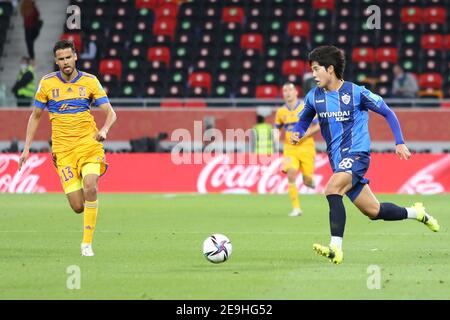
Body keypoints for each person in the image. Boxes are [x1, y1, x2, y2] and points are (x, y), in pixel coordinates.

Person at [290, 45, 439, 264]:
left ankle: (335, 248)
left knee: (332, 189)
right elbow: (304, 119)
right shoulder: (314, 96)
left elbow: (387, 111)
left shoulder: (356, 92)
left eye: (315, 69)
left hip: (357, 155)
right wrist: (298, 132)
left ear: (330, 69)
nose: (312, 74)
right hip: (338, 161)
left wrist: (399, 142)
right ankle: (417, 213)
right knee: (374, 211)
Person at [18, 40, 117, 257]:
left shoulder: (90, 82)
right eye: (61, 59)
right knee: (78, 206)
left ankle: (87, 244)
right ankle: (86, 203)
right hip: (63, 151)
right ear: (56, 61)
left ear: (75, 57)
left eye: (68, 57)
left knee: (91, 185)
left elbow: (111, 113)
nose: (65, 62)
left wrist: (105, 130)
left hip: (89, 144)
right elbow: (35, 116)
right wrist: (26, 148)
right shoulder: (47, 83)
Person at [274, 83, 320, 217]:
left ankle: (310, 182)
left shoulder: (305, 107)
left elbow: (318, 126)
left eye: (290, 90)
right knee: (291, 173)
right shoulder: (281, 112)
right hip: (290, 148)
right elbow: (276, 128)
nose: (287, 92)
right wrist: (275, 139)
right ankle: (296, 208)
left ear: (296, 92)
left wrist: (304, 135)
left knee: (307, 180)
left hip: (306, 148)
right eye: (284, 90)